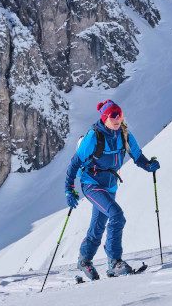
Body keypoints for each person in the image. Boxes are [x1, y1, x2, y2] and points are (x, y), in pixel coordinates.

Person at [64, 100, 159, 280]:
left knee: (98, 225)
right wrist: (69, 189)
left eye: (120, 115)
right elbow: (75, 163)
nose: (117, 119)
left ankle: (84, 260)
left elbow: (138, 157)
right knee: (117, 215)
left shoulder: (124, 135)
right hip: (91, 183)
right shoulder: (94, 136)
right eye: (113, 116)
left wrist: (149, 165)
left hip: (110, 185)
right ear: (105, 118)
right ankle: (114, 262)